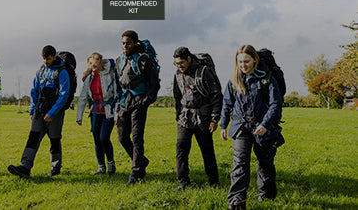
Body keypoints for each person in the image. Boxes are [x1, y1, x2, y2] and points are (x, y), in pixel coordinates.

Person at [220, 45, 283, 210]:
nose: (243, 65)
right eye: (240, 62)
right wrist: (223, 125)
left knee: (265, 163)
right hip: (240, 127)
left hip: (263, 128)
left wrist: (265, 124)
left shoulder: (267, 78)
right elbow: (227, 103)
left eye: (246, 61)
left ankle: (267, 196)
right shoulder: (234, 79)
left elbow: (275, 104)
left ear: (255, 60)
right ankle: (236, 202)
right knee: (240, 165)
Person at [8, 45, 70, 178]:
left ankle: (55, 168)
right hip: (39, 112)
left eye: (48, 59)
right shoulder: (40, 71)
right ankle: (25, 166)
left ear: (54, 57)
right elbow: (34, 91)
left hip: (55, 114)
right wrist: (32, 110)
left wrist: (52, 113)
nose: (45, 62)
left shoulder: (62, 72)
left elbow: (64, 95)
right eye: (43, 59)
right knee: (33, 138)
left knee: (54, 140)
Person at [172, 47, 222, 191]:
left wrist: (214, 119)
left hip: (203, 118)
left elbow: (216, 95)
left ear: (189, 59)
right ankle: (182, 182)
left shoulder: (204, 72)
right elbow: (177, 96)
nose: (179, 66)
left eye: (181, 63)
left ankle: (213, 182)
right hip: (184, 118)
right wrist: (178, 116)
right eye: (176, 64)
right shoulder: (177, 74)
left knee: (207, 151)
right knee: (181, 150)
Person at [115, 30, 160, 185]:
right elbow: (118, 84)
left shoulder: (144, 60)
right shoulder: (119, 60)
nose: (125, 45)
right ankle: (141, 161)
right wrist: (117, 103)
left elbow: (155, 83)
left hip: (139, 101)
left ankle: (136, 172)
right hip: (124, 101)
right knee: (122, 137)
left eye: (128, 43)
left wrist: (145, 101)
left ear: (135, 43)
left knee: (137, 137)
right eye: (123, 43)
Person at [76, 52, 118, 175]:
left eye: (95, 64)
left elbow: (116, 95)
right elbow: (83, 98)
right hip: (95, 112)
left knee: (104, 137)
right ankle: (101, 167)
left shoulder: (110, 75)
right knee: (96, 140)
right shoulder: (89, 78)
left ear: (100, 62)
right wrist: (79, 116)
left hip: (108, 111)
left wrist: (116, 114)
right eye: (91, 65)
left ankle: (111, 164)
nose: (93, 67)